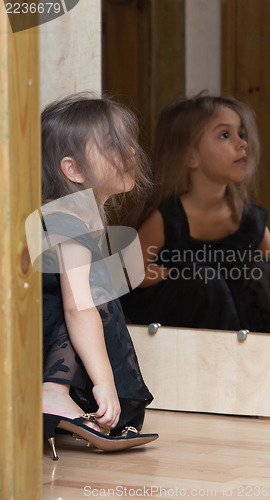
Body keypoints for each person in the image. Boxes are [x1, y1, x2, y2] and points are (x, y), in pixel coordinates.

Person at [39, 93, 158, 460]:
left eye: (127, 141)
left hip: (37, 332)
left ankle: (59, 392)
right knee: (92, 291)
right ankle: (53, 391)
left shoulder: (75, 216)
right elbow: (78, 308)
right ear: (73, 170)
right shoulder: (67, 218)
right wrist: (104, 383)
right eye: (112, 144)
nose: (130, 152)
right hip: (29, 334)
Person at [121, 93, 270, 333]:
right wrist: (170, 272)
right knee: (204, 280)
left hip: (236, 326)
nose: (242, 143)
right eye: (225, 135)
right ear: (191, 156)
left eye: (242, 134)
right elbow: (126, 274)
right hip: (175, 319)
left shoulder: (248, 217)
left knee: (261, 272)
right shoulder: (167, 218)